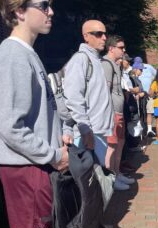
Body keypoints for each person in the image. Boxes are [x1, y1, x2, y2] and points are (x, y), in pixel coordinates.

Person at [0, 1, 68, 228]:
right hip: (27, 167)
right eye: (43, 5)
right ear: (18, 11)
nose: (51, 11)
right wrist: (52, 154)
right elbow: (8, 124)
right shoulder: (11, 56)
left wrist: (58, 139)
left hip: (35, 164)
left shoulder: (26, 54)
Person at [63, 20, 113, 166]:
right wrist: (85, 130)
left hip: (98, 132)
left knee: (98, 181)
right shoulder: (80, 59)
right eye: (98, 34)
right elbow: (73, 97)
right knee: (89, 183)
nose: (104, 37)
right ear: (86, 36)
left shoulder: (96, 60)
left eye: (104, 33)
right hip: (88, 133)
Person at [101, 35, 135, 190]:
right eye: (121, 47)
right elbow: (105, 90)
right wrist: (108, 113)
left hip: (119, 111)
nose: (124, 50)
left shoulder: (116, 65)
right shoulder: (106, 64)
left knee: (119, 144)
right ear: (111, 48)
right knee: (112, 146)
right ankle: (111, 179)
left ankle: (117, 173)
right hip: (112, 112)